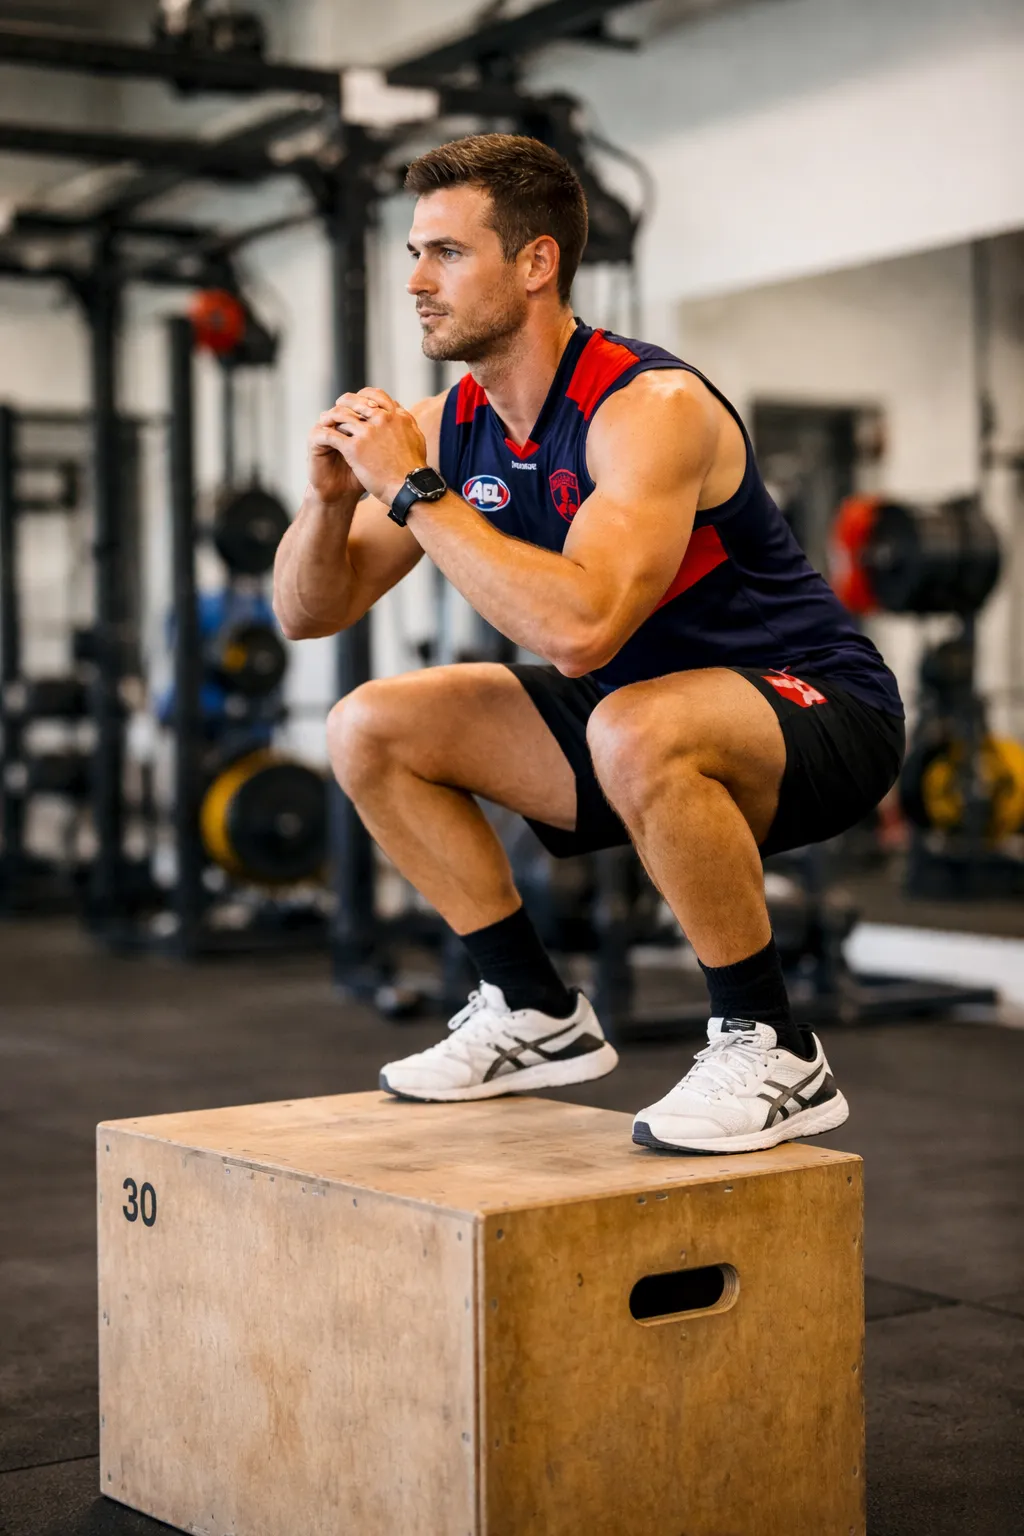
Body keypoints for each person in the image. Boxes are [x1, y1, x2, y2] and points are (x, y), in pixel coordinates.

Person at [273, 133, 905, 1154]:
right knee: (369, 726)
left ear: (535, 265)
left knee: (630, 722)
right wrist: (327, 501)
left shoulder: (648, 407)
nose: (417, 283)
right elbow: (306, 614)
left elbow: (579, 629)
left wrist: (413, 490)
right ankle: (529, 1009)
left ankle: (774, 1046)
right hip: (633, 712)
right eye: (412, 254)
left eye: (446, 253)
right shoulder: (448, 423)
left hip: (816, 706)